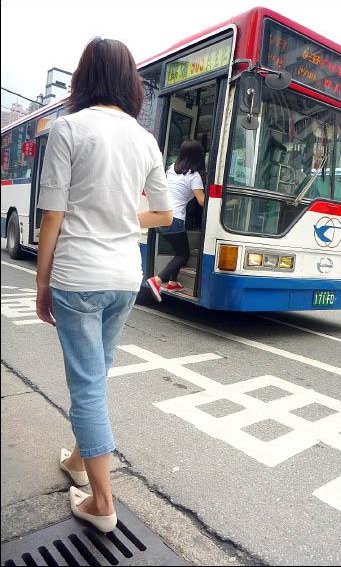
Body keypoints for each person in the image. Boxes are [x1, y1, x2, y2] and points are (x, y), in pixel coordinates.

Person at [35, 37, 173, 533]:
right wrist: (122, 212)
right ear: (130, 82)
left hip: (80, 274)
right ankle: (77, 461)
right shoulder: (145, 138)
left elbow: (53, 214)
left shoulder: (69, 127)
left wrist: (42, 282)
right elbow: (165, 212)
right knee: (98, 374)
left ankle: (102, 502)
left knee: (87, 387)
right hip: (123, 277)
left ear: (83, 77)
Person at [147, 140, 205, 301]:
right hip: (175, 219)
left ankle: (172, 282)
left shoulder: (172, 168)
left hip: (161, 216)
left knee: (178, 251)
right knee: (183, 255)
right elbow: (201, 201)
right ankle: (157, 280)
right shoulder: (194, 176)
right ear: (198, 157)